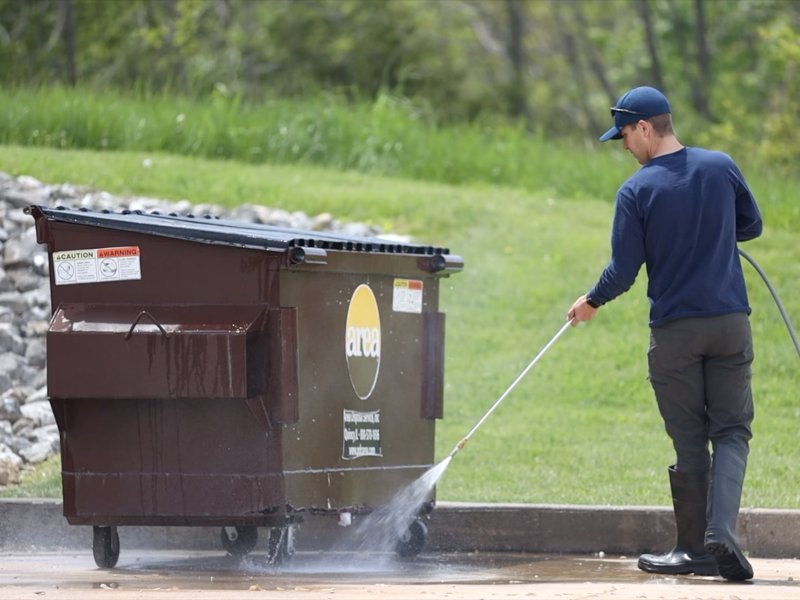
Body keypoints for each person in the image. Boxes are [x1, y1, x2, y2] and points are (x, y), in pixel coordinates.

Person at [567, 86, 762, 581]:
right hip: (730, 324)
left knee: (691, 439)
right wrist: (710, 233)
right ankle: (723, 533)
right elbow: (752, 225)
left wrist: (591, 302)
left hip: (676, 332)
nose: (625, 147)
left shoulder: (637, 191)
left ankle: (694, 550)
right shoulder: (720, 166)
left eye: (626, 136)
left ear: (647, 128)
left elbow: (624, 272)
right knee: (733, 429)